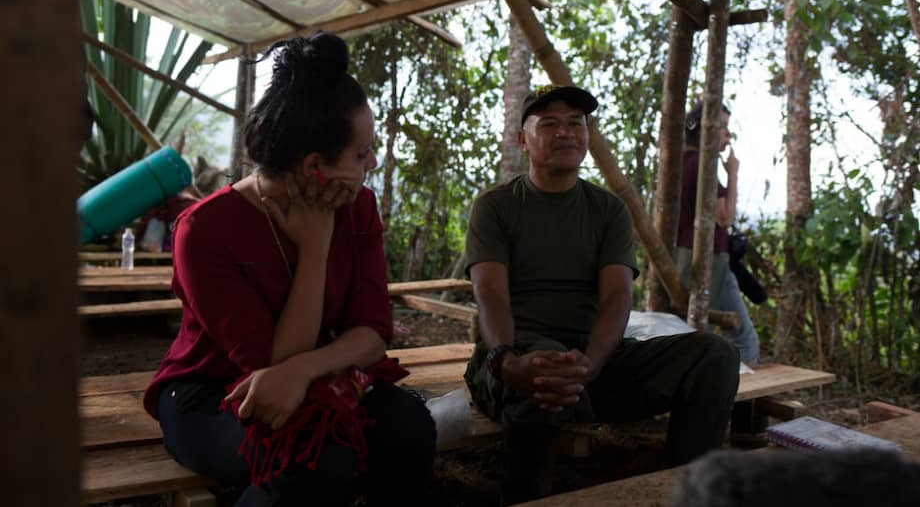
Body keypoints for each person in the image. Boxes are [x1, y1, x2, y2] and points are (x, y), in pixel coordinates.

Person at [143, 32, 436, 507]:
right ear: (314, 165)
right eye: (362, 154)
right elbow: (268, 369)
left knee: (410, 428)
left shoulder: (357, 208)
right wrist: (316, 246)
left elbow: (373, 331)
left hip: (317, 373)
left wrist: (305, 369)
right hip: (212, 393)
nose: (372, 163)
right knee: (311, 459)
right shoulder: (204, 229)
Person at [463, 84, 741, 504]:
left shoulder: (607, 210)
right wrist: (505, 359)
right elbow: (491, 296)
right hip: (515, 359)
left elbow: (617, 299)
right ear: (522, 139)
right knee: (544, 374)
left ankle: (688, 488)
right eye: (550, 124)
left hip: (589, 363)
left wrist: (590, 365)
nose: (566, 133)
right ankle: (525, 494)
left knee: (714, 356)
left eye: (576, 123)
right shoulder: (496, 206)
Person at [675, 102, 760, 365]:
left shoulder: (679, 162)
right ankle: (736, 402)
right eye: (722, 127)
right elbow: (724, 217)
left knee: (696, 334)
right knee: (743, 338)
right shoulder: (702, 165)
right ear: (703, 130)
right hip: (708, 258)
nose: (728, 134)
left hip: (685, 256)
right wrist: (733, 174)